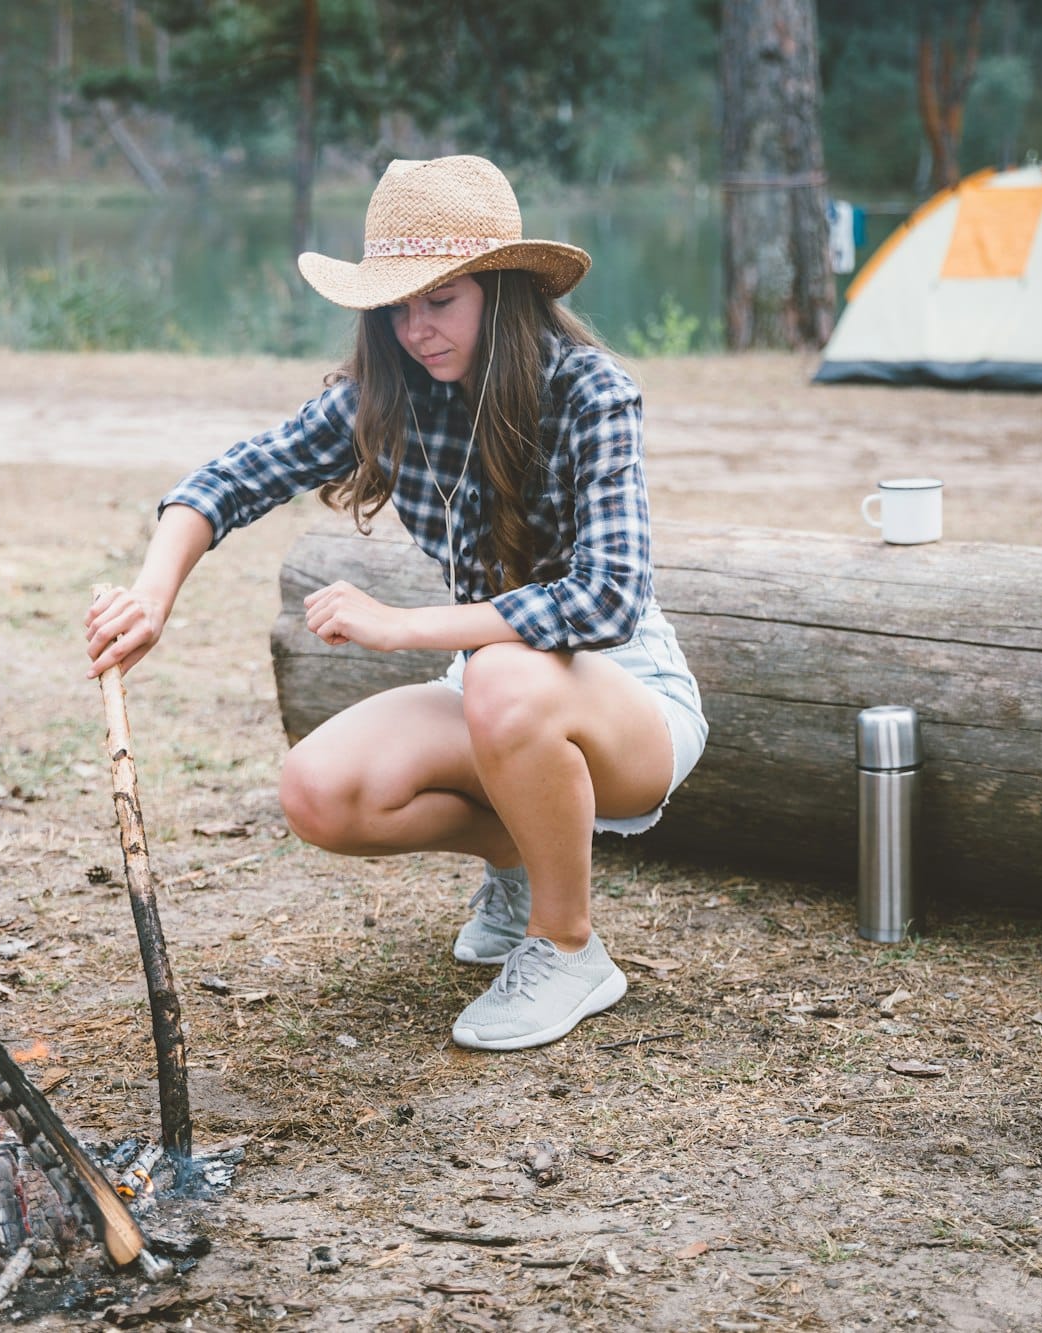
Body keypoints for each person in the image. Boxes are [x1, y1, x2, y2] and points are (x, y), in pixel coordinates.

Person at [84, 155, 707, 1052]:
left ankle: (569, 946)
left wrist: (406, 625)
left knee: (498, 677)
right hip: (493, 686)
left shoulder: (590, 391)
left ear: (502, 288)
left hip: (626, 697)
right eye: (397, 305)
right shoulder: (387, 398)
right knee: (321, 793)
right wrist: (152, 595)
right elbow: (226, 480)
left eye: (441, 299)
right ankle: (520, 864)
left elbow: (606, 600)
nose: (416, 329)